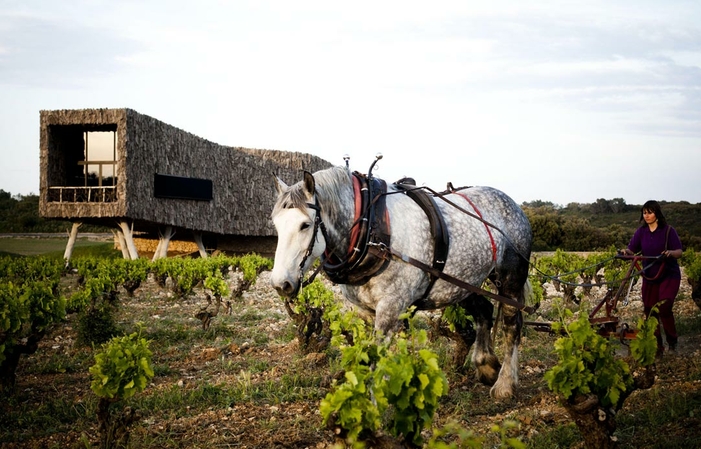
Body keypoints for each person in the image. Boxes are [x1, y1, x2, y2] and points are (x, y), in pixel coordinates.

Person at [621, 200, 683, 356]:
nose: (647, 215)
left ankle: (672, 341)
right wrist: (625, 253)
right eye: (644, 213)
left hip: (668, 274)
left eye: (650, 212)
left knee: (664, 306)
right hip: (650, 276)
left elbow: (679, 251)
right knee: (649, 310)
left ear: (657, 213)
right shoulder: (641, 232)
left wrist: (670, 253)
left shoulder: (668, 231)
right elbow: (631, 249)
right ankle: (657, 347)